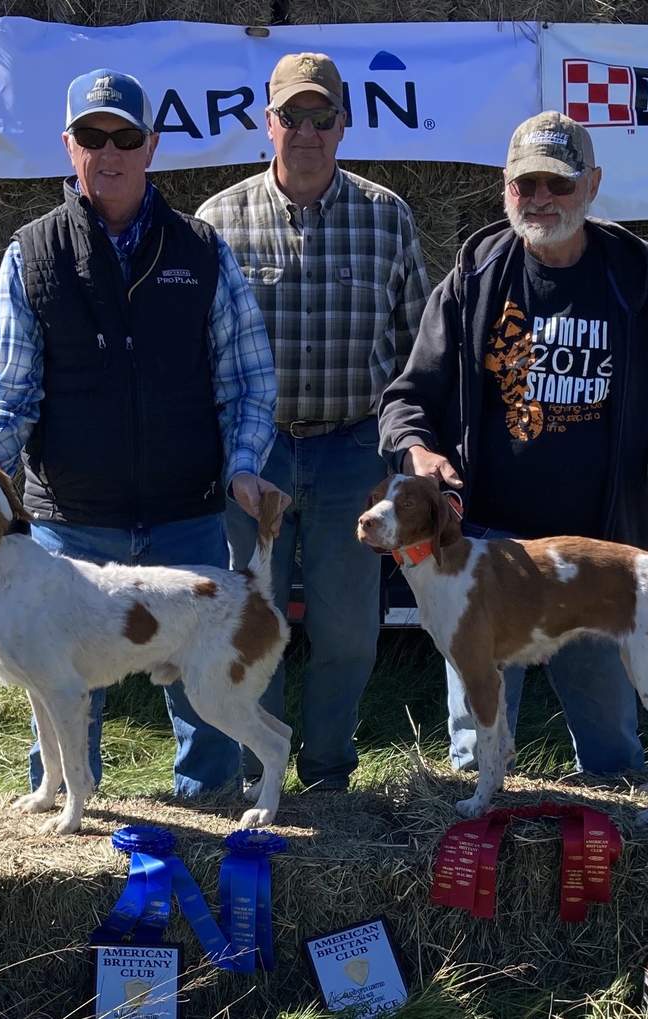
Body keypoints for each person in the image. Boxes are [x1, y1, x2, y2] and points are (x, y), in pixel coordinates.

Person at [0, 68, 281, 799]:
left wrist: (241, 467)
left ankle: (213, 836)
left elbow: (249, 380)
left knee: (208, 718)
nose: (109, 152)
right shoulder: (29, 255)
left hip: (188, 517)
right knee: (59, 694)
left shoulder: (203, 252)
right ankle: (69, 821)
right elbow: (13, 392)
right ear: (68, 146)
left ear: (152, 147)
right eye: (92, 136)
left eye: (125, 137)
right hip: (71, 529)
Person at [378, 110, 648, 776]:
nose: (539, 200)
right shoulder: (474, 279)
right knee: (478, 751)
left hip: (598, 553)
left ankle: (616, 859)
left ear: (592, 185)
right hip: (487, 557)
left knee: (614, 751)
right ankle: (479, 855)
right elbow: (407, 397)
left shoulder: (636, 280)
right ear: (505, 187)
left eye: (557, 185)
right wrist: (418, 451)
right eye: (525, 184)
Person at [196, 53, 429, 791]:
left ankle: (328, 770)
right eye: (290, 116)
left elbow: (413, 347)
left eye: (320, 117)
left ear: (343, 125)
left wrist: (401, 456)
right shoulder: (218, 221)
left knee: (348, 629)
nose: (306, 131)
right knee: (243, 624)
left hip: (352, 452)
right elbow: (200, 352)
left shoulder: (387, 216)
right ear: (268, 124)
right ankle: (248, 771)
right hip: (252, 455)